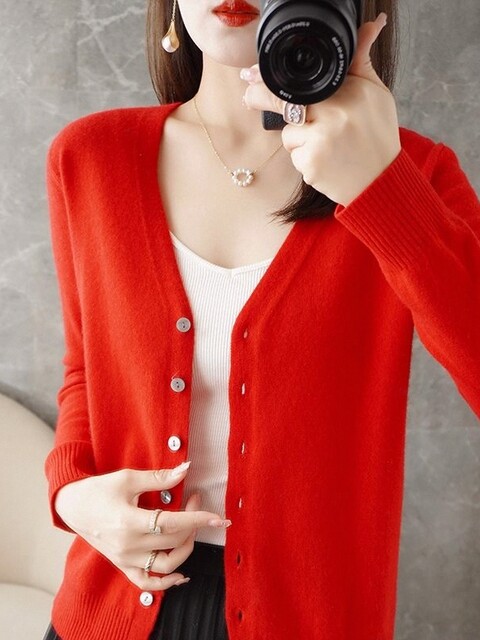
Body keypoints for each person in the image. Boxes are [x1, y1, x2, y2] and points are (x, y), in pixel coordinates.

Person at [43, 0, 480, 639]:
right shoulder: (90, 157)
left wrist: (382, 190)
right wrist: (71, 495)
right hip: (105, 610)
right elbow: (87, 370)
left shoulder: (415, 176)